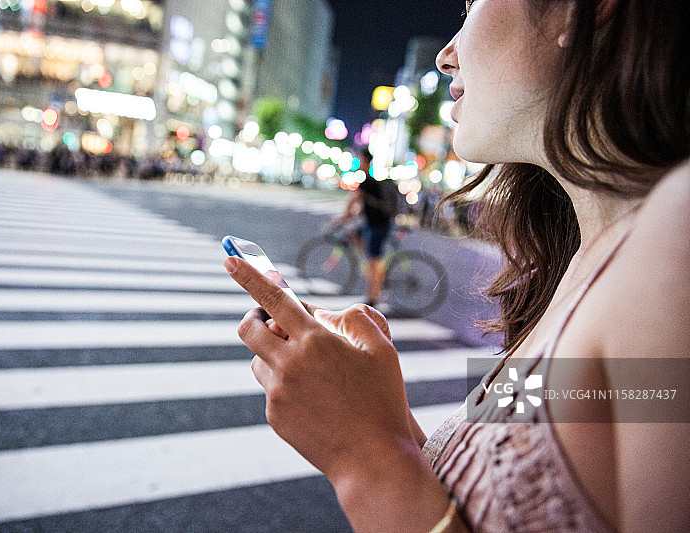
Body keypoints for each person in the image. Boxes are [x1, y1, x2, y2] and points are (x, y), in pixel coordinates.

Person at [224, 0, 689, 531]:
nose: (446, 56)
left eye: (473, 5)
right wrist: (382, 421)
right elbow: (496, 490)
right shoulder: (581, 260)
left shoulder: (676, 234)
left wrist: (363, 458)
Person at [335, 146, 398, 307]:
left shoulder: (367, 182)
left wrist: (343, 217)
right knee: (356, 235)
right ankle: (376, 278)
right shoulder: (370, 181)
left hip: (378, 226)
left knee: (373, 261)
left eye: (359, 159)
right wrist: (351, 216)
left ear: (365, 161)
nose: (357, 162)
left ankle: (373, 298)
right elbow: (364, 206)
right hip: (375, 224)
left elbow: (353, 200)